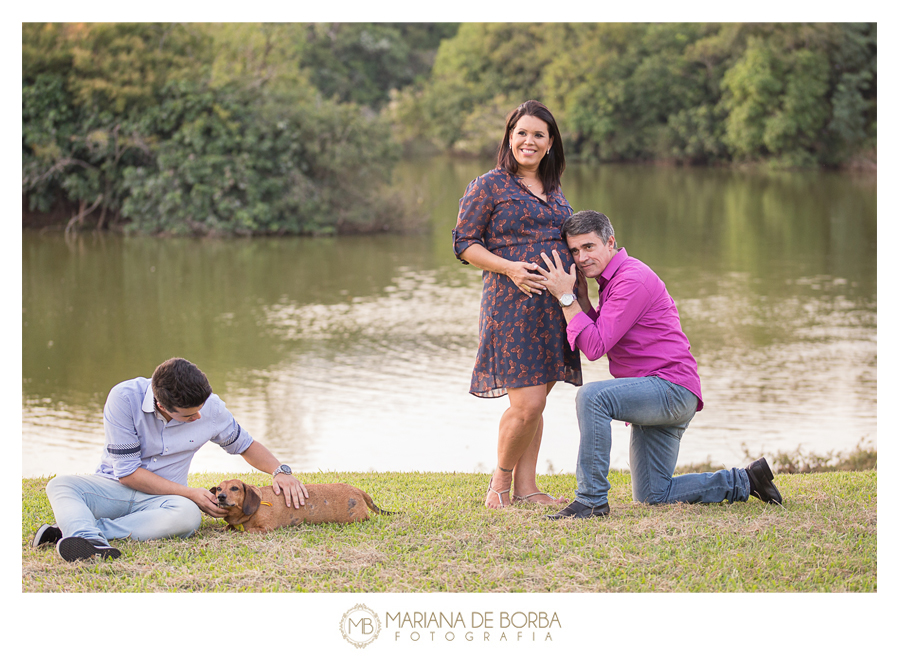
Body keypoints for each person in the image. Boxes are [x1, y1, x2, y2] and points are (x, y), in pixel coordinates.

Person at [535, 210, 783, 519]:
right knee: (653, 494)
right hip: (662, 390)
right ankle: (746, 480)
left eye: (589, 247)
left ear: (610, 242)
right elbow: (602, 335)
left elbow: (596, 346)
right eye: (574, 250)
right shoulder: (613, 280)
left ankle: (590, 500)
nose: (582, 257)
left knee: (592, 397)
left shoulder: (631, 280)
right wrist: (583, 301)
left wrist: (566, 298)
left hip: (670, 389)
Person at [32, 357, 310, 560]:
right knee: (60, 485)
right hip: (113, 489)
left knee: (188, 516)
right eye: (189, 415)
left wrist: (279, 470)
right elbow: (127, 473)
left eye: (200, 409)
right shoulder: (123, 399)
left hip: (163, 500)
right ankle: (88, 538)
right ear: (162, 405)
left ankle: (82, 533)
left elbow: (245, 445)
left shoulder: (210, 407)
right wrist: (190, 492)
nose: (199, 417)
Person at [452, 100, 582, 509]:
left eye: (538, 135)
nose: (529, 141)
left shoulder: (556, 192)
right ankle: (499, 484)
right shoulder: (488, 185)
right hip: (512, 307)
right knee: (526, 404)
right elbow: (464, 244)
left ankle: (528, 487)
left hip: (554, 309)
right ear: (510, 137)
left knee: (537, 401)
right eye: (522, 133)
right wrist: (510, 268)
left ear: (550, 144)